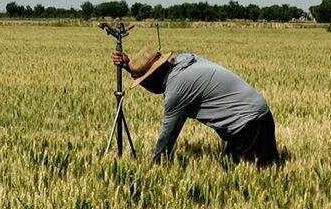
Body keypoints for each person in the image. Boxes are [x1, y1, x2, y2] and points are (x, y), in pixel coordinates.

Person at [112, 48, 279, 165]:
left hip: (248, 124)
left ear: (154, 75)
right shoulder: (184, 61)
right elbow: (156, 84)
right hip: (257, 114)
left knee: (240, 176)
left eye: (144, 80)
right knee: (259, 168)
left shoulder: (178, 86)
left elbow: (168, 135)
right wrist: (130, 67)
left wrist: (155, 167)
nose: (145, 85)